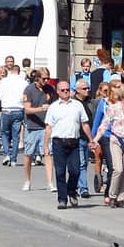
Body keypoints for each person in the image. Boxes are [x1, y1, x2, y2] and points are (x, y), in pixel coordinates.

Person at [43, 79, 93, 209]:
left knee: (75, 170)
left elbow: (84, 123)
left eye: (67, 90)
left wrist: (91, 139)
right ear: (58, 92)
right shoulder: (53, 107)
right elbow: (48, 127)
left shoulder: (77, 105)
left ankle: (72, 191)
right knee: (60, 172)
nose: (65, 92)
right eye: (63, 90)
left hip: (74, 142)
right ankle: (62, 199)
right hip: (58, 142)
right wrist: (45, 146)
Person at [22, 68, 51, 192]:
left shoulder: (49, 89)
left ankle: (50, 182)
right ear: (37, 78)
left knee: (48, 153)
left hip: (46, 127)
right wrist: (41, 109)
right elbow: (27, 109)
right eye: (44, 78)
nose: (46, 81)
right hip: (33, 126)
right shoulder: (29, 89)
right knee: (28, 154)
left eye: (47, 78)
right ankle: (27, 181)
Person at [0, 59, 26, 170]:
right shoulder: (24, 82)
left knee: (4, 133)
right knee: (16, 135)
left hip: (7, 109)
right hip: (19, 109)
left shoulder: (4, 81)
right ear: (19, 72)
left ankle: (6, 154)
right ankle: (14, 159)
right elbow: (25, 97)